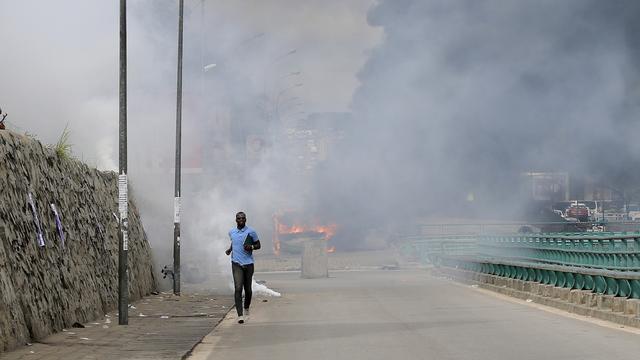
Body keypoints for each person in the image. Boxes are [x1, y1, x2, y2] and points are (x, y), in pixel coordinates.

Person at [225, 211, 261, 324]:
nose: (241, 220)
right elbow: (234, 242)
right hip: (236, 263)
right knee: (238, 288)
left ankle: (246, 308)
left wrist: (251, 246)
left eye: (243, 218)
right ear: (236, 220)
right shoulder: (231, 232)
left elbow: (258, 245)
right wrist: (230, 249)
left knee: (248, 290)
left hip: (249, 264)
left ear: (246, 220)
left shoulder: (251, 232)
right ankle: (240, 315)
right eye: (239, 218)